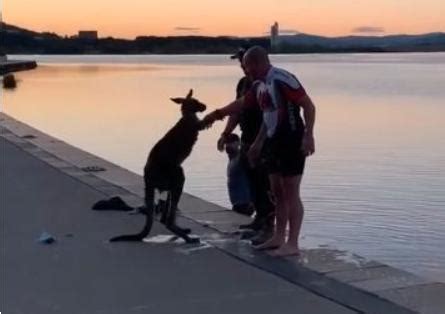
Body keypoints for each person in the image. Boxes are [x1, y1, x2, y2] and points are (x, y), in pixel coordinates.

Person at [203, 46, 316, 257]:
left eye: (247, 65)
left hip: (291, 140)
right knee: (277, 192)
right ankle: (277, 237)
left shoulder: (282, 79)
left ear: (256, 64)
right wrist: (217, 115)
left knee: (291, 192)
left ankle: (292, 243)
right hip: (273, 141)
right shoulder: (259, 85)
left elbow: (308, 106)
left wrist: (309, 135)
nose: (245, 70)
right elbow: (248, 107)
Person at [218, 48, 275, 244]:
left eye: (246, 64)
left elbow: (270, 115)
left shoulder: (268, 82)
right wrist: (226, 133)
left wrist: (260, 142)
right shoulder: (243, 83)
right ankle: (258, 220)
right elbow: (237, 109)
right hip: (247, 137)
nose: (244, 68)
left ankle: (269, 226)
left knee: (265, 182)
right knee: (251, 180)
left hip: (265, 140)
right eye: (242, 65)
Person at [224, 133, 254, 216]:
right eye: (227, 142)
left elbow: (252, 177)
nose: (228, 145)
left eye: (231, 142)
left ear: (238, 143)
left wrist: (252, 202)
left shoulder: (241, 158)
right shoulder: (231, 159)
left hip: (245, 204)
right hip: (236, 204)